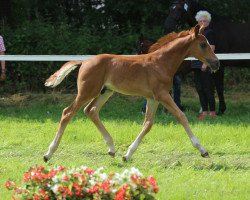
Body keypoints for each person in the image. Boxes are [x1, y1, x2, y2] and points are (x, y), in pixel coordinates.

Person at [191, 11, 216, 120]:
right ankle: (204, 112)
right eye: (200, 21)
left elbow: (212, 48)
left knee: (208, 89)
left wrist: (206, 64)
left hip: (205, 65)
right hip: (195, 65)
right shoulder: (196, 34)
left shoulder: (209, 33)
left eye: (204, 21)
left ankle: (213, 112)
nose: (202, 23)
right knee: (199, 89)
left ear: (208, 22)